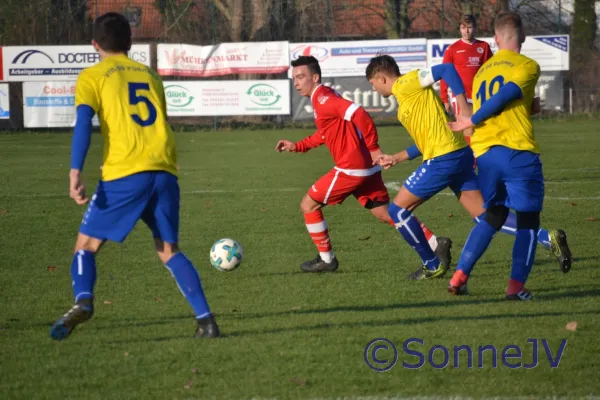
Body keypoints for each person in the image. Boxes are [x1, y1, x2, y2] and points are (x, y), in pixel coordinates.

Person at [49, 12, 219, 340]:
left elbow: (84, 123)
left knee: (85, 244)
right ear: (130, 43)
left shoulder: (92, 76)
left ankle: (83, 301)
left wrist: (74, 172)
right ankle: (206, 321)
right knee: (169, 249)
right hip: (164, 171)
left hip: (125, 172)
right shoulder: (151, 76)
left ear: (94, 44)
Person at [365, 55, 571, 281]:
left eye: (372, 84)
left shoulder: (406, 83)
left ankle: (432, 264)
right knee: (484, 216)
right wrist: (397, 157)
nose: (374, 89)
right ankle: (547, 237)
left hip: (444, 159)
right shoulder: (407, 98)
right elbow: (426, 142)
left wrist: (462, 105)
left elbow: (446, 69)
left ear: (381, 78)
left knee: (397, 212)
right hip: (456, 154)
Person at [275, 55, 452, 277]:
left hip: (352, 167)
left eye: (301, 77)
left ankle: (326, 259)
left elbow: (360, 114)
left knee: (308, 205)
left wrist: (374, 147)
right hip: (365, 167)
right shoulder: (323, 97)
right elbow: (325, 133)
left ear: (315, 77)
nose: (296, 82)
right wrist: (298, 146)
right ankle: (435, 243)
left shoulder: (323, 98)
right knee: (386, 214)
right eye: (294, 78)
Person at [446, 12, 571, 300]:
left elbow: (503, 103)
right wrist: (470, 119)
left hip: (487, 154)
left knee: (494, 214)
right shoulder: (527, 65)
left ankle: (459, 276)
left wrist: (526, 107)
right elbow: (507, 94)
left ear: (496, 39)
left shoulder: (482, 72)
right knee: (528, 220)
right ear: (523, 37)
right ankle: (516, 288)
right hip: (517, 152)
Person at [440, 14, 493, 132]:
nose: (467, 31)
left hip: (479, 94)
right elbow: (444, 74)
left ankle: (476, 151)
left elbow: (490, 70)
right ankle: (470, 150)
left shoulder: (483, 46)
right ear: (459, 29)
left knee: (481, 128)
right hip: (460, 96)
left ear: (475, 28)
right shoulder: (452, 49)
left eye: (469, 27)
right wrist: (444, 99)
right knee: (467, 129)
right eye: (463, 28)